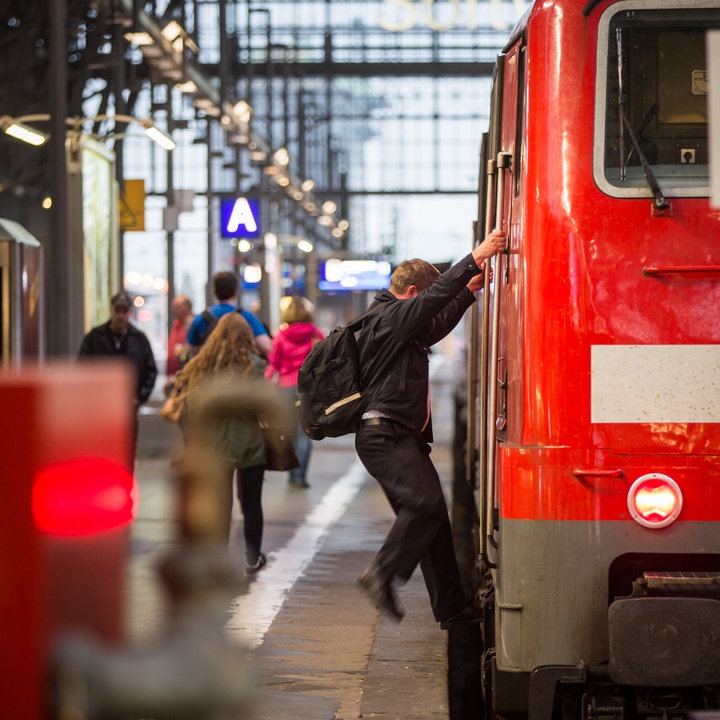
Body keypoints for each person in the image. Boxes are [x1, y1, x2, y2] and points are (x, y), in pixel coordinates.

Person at [353, 229, 507, 626]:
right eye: (424, 298)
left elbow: (435, 323)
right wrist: (475, 257)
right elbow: (431, 307)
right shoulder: (388, 315)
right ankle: (381, 574)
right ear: (412, 293)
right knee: (423, 505)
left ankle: (453, 609)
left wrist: (468, 291)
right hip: (383, 434)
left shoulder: (402, 325)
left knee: (433, 517)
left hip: (397, 434)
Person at [177, 311, 269, 575]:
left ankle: (218, 558)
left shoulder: (204, 367)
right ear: (246, 337)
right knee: (252, 503)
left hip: (215, 446)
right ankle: (252, 558)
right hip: (250, 442)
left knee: (220, 504)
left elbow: (192, 408)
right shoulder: (255, 366)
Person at [78, 290, 158, 465]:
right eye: (118, 311)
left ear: (130, 312)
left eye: (125, 311)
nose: (121, 316)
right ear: (111, 310)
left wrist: (140, 396)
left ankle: (125, 488)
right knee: (101, 452)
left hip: (127, 407)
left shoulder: (139, 339)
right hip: (101, 408)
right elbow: (82, 368)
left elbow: (150, 370)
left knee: (127, 451)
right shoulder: (94, 338)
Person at [265, 296, 324, 488]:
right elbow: (325, 359)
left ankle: (291, 472)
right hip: (307, 389)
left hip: (284, 389)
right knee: (304, 433)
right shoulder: (316, 335)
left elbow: (273, 364)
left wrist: (263, 384)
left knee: (288, 432)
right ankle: (299, 476)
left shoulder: (281, 336)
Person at [185, 271, 272, 359]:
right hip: (239, 371)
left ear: (214, 291)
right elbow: (267, 347)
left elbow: (193, 354)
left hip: (210, 371)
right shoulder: (247, 317)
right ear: (235, 292)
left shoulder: (200, 319)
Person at [164, 294, 193, 396]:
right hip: (173, 379)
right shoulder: (176, 325)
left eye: (178, 307)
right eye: (174, 307)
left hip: (187, 380)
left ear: (188, 307)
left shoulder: (192, 326)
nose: (175, 310)